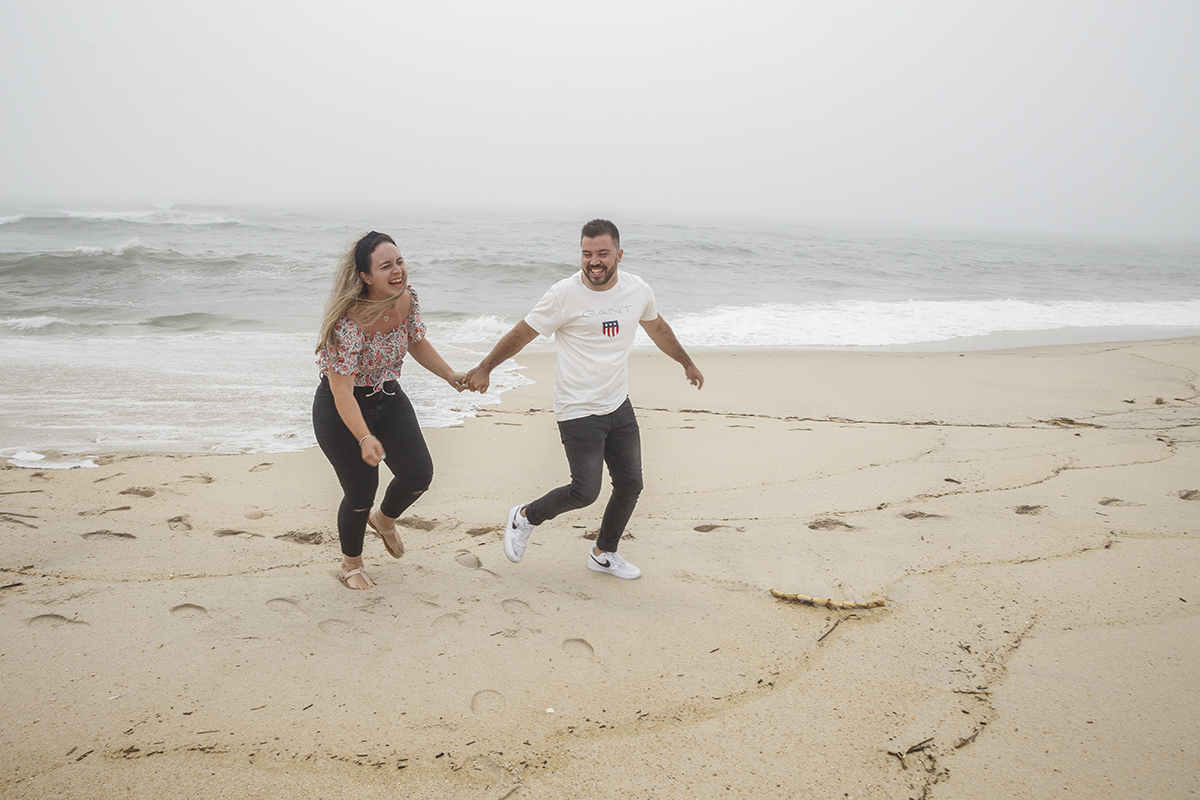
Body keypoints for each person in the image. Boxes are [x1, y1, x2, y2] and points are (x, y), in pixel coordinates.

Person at [464, 219, 703, 580]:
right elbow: (523, 332)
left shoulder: (637, 290)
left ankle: (604, 553)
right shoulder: (563, 294)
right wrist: (485, 367)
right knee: (585, 491)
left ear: (619, 255)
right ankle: (525, 516)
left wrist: (686, 362)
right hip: (577, 408)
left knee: (631, 485)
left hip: (618, 403)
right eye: (587, 254)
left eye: (603, 253)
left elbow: (657, 328)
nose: (594, 261)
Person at [313, 231, 467, 589]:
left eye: (399, 262)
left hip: (388, 396)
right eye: (385, 266)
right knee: (361, 490)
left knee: (418, 475)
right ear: (366, 276)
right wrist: (364, 437)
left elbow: (415, 340)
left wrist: (450, 375)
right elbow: (341, 391)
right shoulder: (347, 322)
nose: (397, 270)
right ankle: (351, 564)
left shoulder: (406, 299)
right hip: (342, 409)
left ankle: (383, 520)